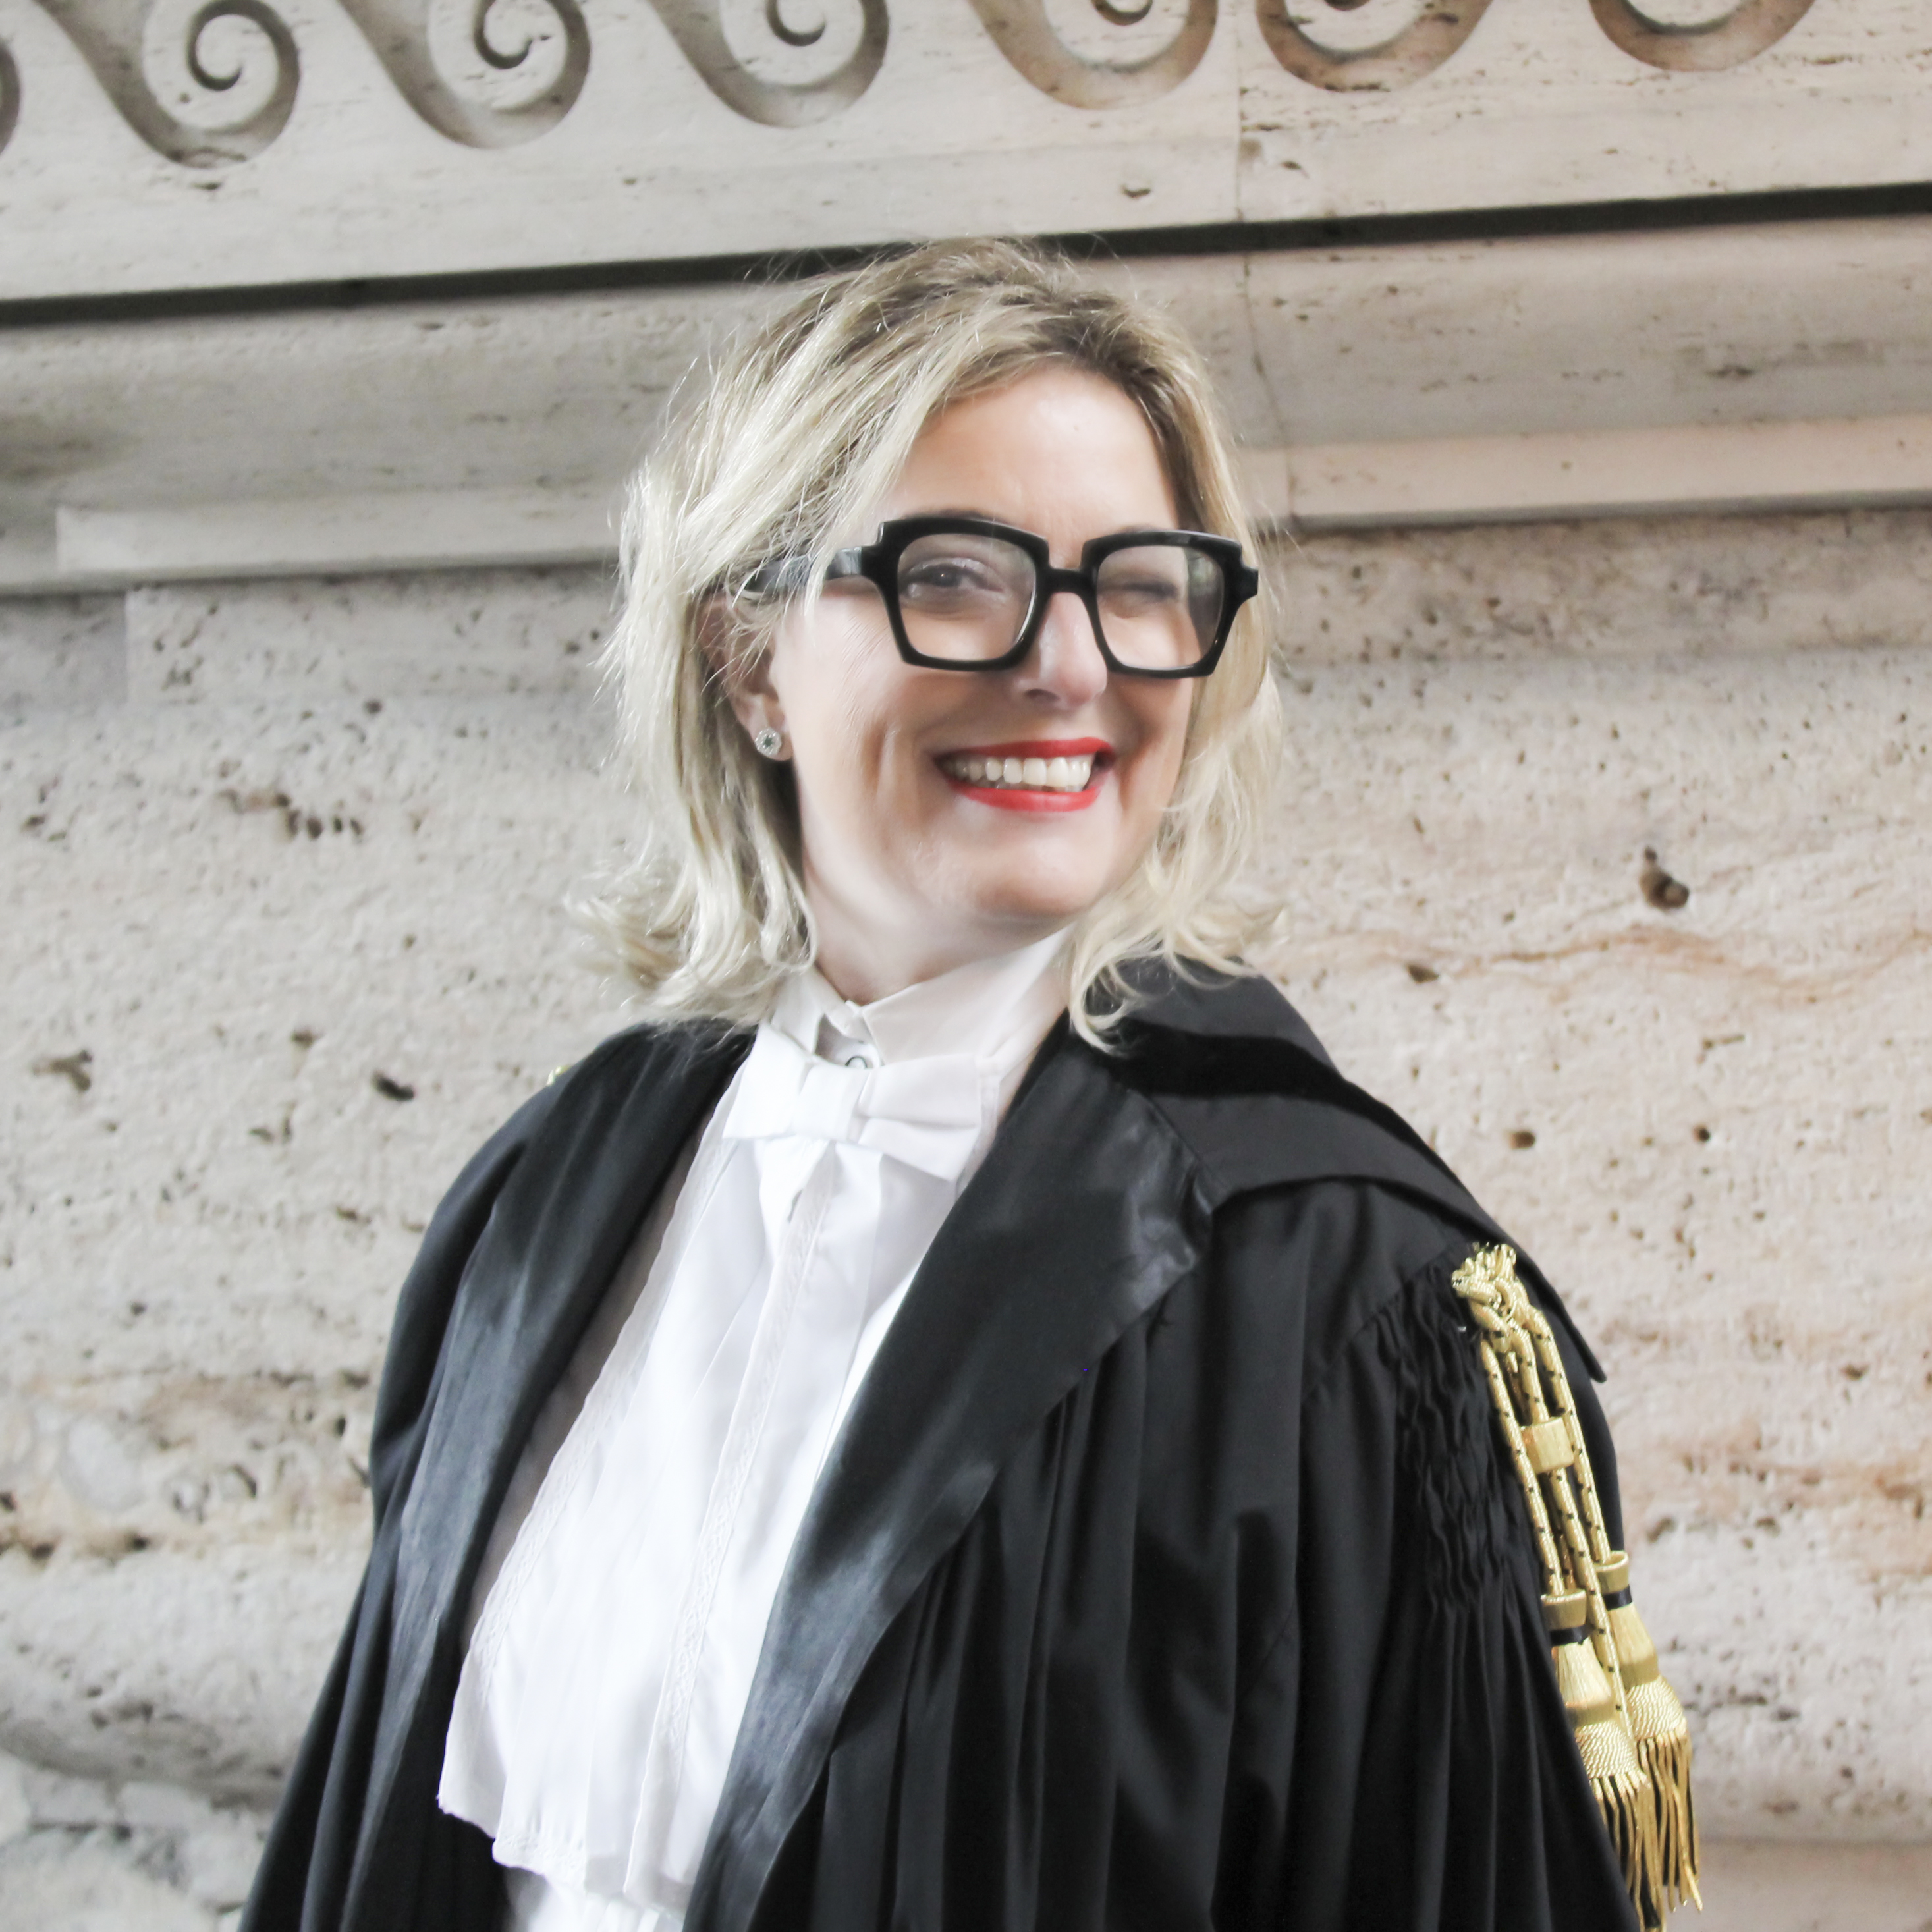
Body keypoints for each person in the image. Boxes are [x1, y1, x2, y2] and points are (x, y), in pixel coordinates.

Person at [243, 240, 1694, 1932]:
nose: (1069, 666)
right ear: (748, 661)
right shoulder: (556, 1189)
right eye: (953, 574)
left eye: (1138, 585)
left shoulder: (1357, 1308)